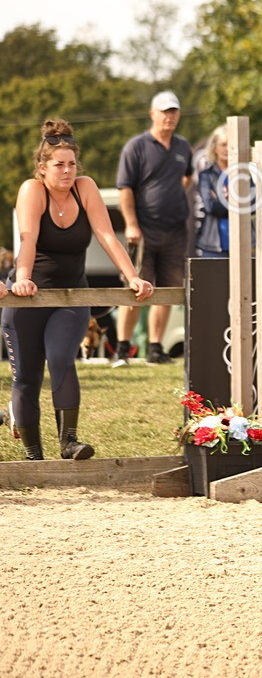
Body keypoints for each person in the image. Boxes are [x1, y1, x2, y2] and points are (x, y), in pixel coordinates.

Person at [2, 119, 154, 460]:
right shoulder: (32, 189)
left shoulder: (84, 188)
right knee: (26, 377)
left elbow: (105, 235)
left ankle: (69, 442)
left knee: (60, 359)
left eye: (72, 164)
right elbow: (27, 237)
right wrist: (23, 277)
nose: (67, 170)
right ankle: (33, 456)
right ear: (42, 167)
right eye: (59, 165)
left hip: (72, 295)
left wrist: (132, 276)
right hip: (30, 295)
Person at [115, 90, 193, 365]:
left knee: (168, 290)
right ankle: (124, 347)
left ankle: (156, 347)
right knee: (136, 287)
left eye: (173, 111)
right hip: (145, 230)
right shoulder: (136, 147)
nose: (169, 116)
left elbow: (186, 178)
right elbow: (125, 188)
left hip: (175, 231)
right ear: (152, 114)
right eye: (164, 112)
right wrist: (132, 224)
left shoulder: (183, 147)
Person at [196, 125, 232, 257]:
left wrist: (220, 199)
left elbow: (251, 206)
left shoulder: (243, 174)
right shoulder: (206, 175)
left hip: (243, 243)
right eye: (223, 144)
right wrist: (237, 201)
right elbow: (210, 206)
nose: (227, 149)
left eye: (231, 144)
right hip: (212, 244)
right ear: (214, 147)